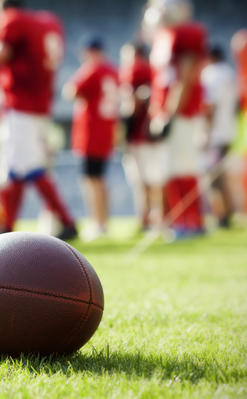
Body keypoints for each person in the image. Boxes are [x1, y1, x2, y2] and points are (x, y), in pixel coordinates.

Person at [0, 0, 77, 240]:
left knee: (27, 167)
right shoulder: (48, 22)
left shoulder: (13, 20)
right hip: (40, 104)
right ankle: (7, 224)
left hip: (20, 105)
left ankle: (65, 221)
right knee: (13, 167)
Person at [146, 0, 209, 236]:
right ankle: (186, 221)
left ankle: (189, 222)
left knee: (181, 168)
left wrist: (170, 114)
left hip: (181, 113)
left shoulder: (185, 34)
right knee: (172, 169)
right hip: (169, 111)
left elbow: (185, 76)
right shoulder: (164, 36)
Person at [62, 35, 120, 241]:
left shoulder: (93, 69)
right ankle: (104, 221)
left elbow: (70, 91)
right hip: (106, 130)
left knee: (91, 179)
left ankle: (99, 222)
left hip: (91, 132)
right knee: (100, 178)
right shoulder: (112, 70)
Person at [119, 42, 164, 231]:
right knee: (153, 179)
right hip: (154, 133)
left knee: (142, 180)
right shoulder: (155, 69)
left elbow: (132, 104)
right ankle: (156, 217)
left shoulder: (135, 69)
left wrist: (123, 131)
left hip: (139, 134)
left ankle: (146, 218)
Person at [201, 45, 240, 228]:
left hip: (216, 134)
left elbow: (211, 105)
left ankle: (223, 217)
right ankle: (228, 215)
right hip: (228, 131)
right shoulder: (229, 74)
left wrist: (205, 132)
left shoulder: (212, 74)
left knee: (214, 178)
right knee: (220, 176)